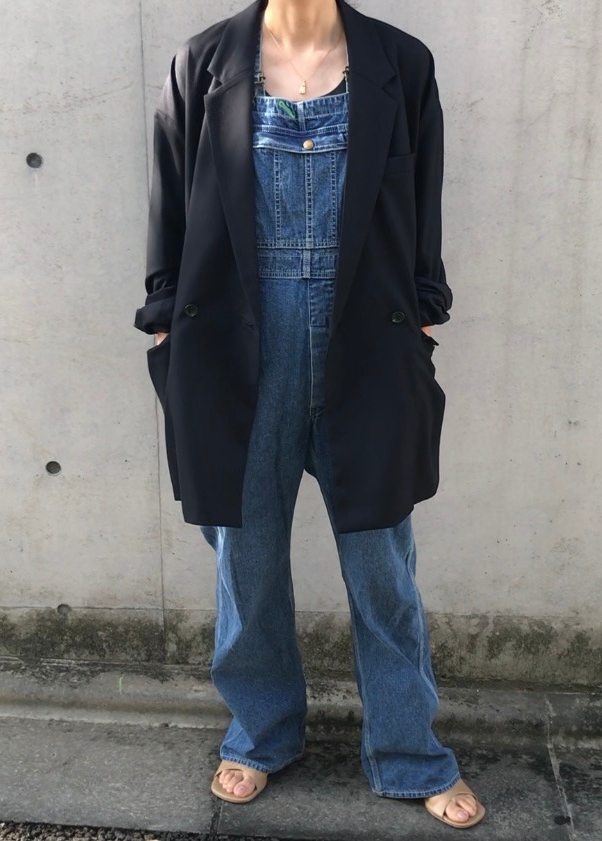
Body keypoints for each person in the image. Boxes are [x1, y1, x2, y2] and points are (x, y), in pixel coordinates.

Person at [134, 0, 485, 830]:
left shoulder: (399, 63)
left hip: (366, 336)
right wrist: (163, 314)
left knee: (382, 568)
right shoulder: (202, 63)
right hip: (234, 342)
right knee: (245, 563)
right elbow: (169, 199)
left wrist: (424, 306)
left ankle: (408, 752)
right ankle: (259, 733)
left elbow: (422, 192)